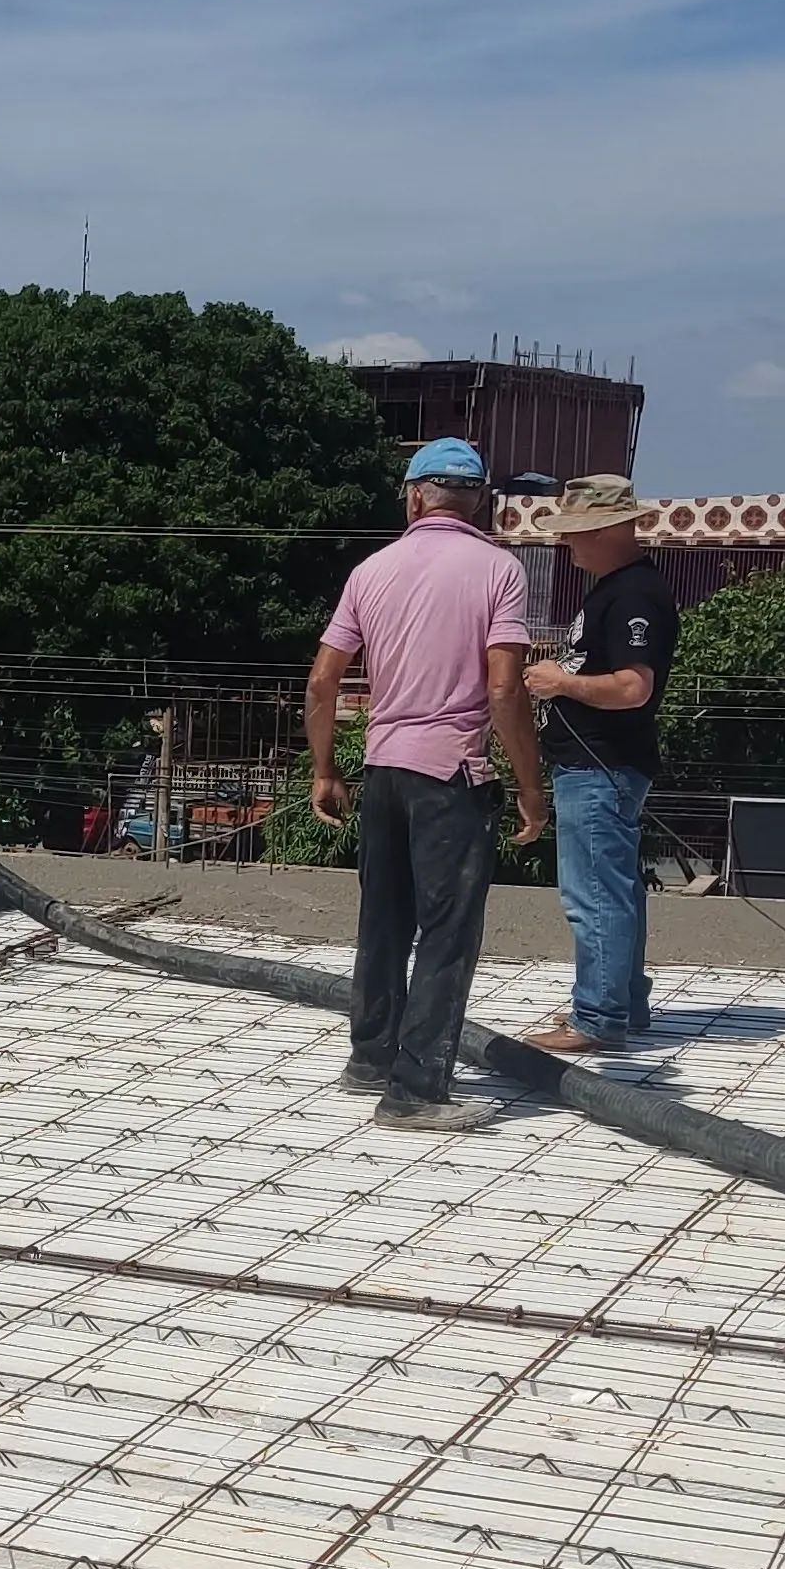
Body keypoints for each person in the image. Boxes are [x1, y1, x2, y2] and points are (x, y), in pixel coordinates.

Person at [305, 436, 548, 1130]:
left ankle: (371, 1057)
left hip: (382, 770)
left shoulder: (371, 571)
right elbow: (504, 691)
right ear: (478, 502)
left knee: (383, 921)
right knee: (446, 934)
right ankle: (414, 1091)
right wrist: (530, 788)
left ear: (413, 497)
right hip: (451, 774)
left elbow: (323, 681)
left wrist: (326, 770)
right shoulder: (499, 571)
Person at [522, 474, 679, 1054]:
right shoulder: (616, 590)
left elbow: (634, 687)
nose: (570, 544)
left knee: (593, 893)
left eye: (579, 531)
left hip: (601, 765)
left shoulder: (633, 595)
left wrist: (560, 682)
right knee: (615, 889)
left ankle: (597, 1016)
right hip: (601, 764)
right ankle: (622, 1002)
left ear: (614, 528)